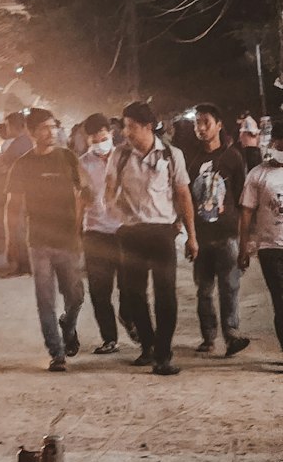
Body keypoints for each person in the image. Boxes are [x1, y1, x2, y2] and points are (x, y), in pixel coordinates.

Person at [105, 101, 198, 376]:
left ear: (147, 127)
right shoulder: (119, 156)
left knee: (165, 294)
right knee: (134, 295)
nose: (126, 132)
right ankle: (148, 346)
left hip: (162, 232)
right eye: (125, 126)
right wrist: (115, 210)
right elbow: (109, 191)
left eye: (131, 127)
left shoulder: (171, 155)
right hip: (131, 233)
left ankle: (163, 354)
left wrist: (191, 235)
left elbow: (183, 194)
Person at [4, 109, 87, 372]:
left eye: (53, 127)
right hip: (38, 241)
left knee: (75, 295)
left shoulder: (68, 158)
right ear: (31, 132)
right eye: (43, 128)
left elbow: (81, 194)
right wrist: (10, 239)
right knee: (45, 299)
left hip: (67, 239)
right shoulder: (23, 164)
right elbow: (12, 205)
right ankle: (56, 352)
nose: (50, 133)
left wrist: (79, 229)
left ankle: (69, 325)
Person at [187, 104, 250, 357]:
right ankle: (208, 336)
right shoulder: (191, 159)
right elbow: (186, 198)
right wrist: (189, 235)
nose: (201, 128)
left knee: (230, 287)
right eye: (197, 124)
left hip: (227, 235)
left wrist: (247, 237)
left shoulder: (233, 157)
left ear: (219, 125)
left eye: (206, 123)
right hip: (201, 237)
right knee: (203, 289)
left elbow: (242, 195)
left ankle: (231, 334)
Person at [79, 112, 134, 354]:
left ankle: (128, 316)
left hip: (124, 230)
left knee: (130, 286)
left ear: (110, 132)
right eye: (93, 137)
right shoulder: (83, 163)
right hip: (95, 231)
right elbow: (79, 198)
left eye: (101, 135)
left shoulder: (127, 157)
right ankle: (109, 338)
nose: (98, 140)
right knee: (99, 289)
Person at [238, 120, 283, 356]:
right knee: (281, 301)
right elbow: (246, 213)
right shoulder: (258, 174)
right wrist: (243, 248)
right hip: (270, 249)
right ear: (274, 142)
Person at [0, 111, 33, 276]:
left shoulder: (17, 144)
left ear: (12, 126)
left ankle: (21, 265)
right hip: (31, 192)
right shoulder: (29, 142)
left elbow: (1, 163)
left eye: (7, 126)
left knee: (16, 227)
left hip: (19, 192)